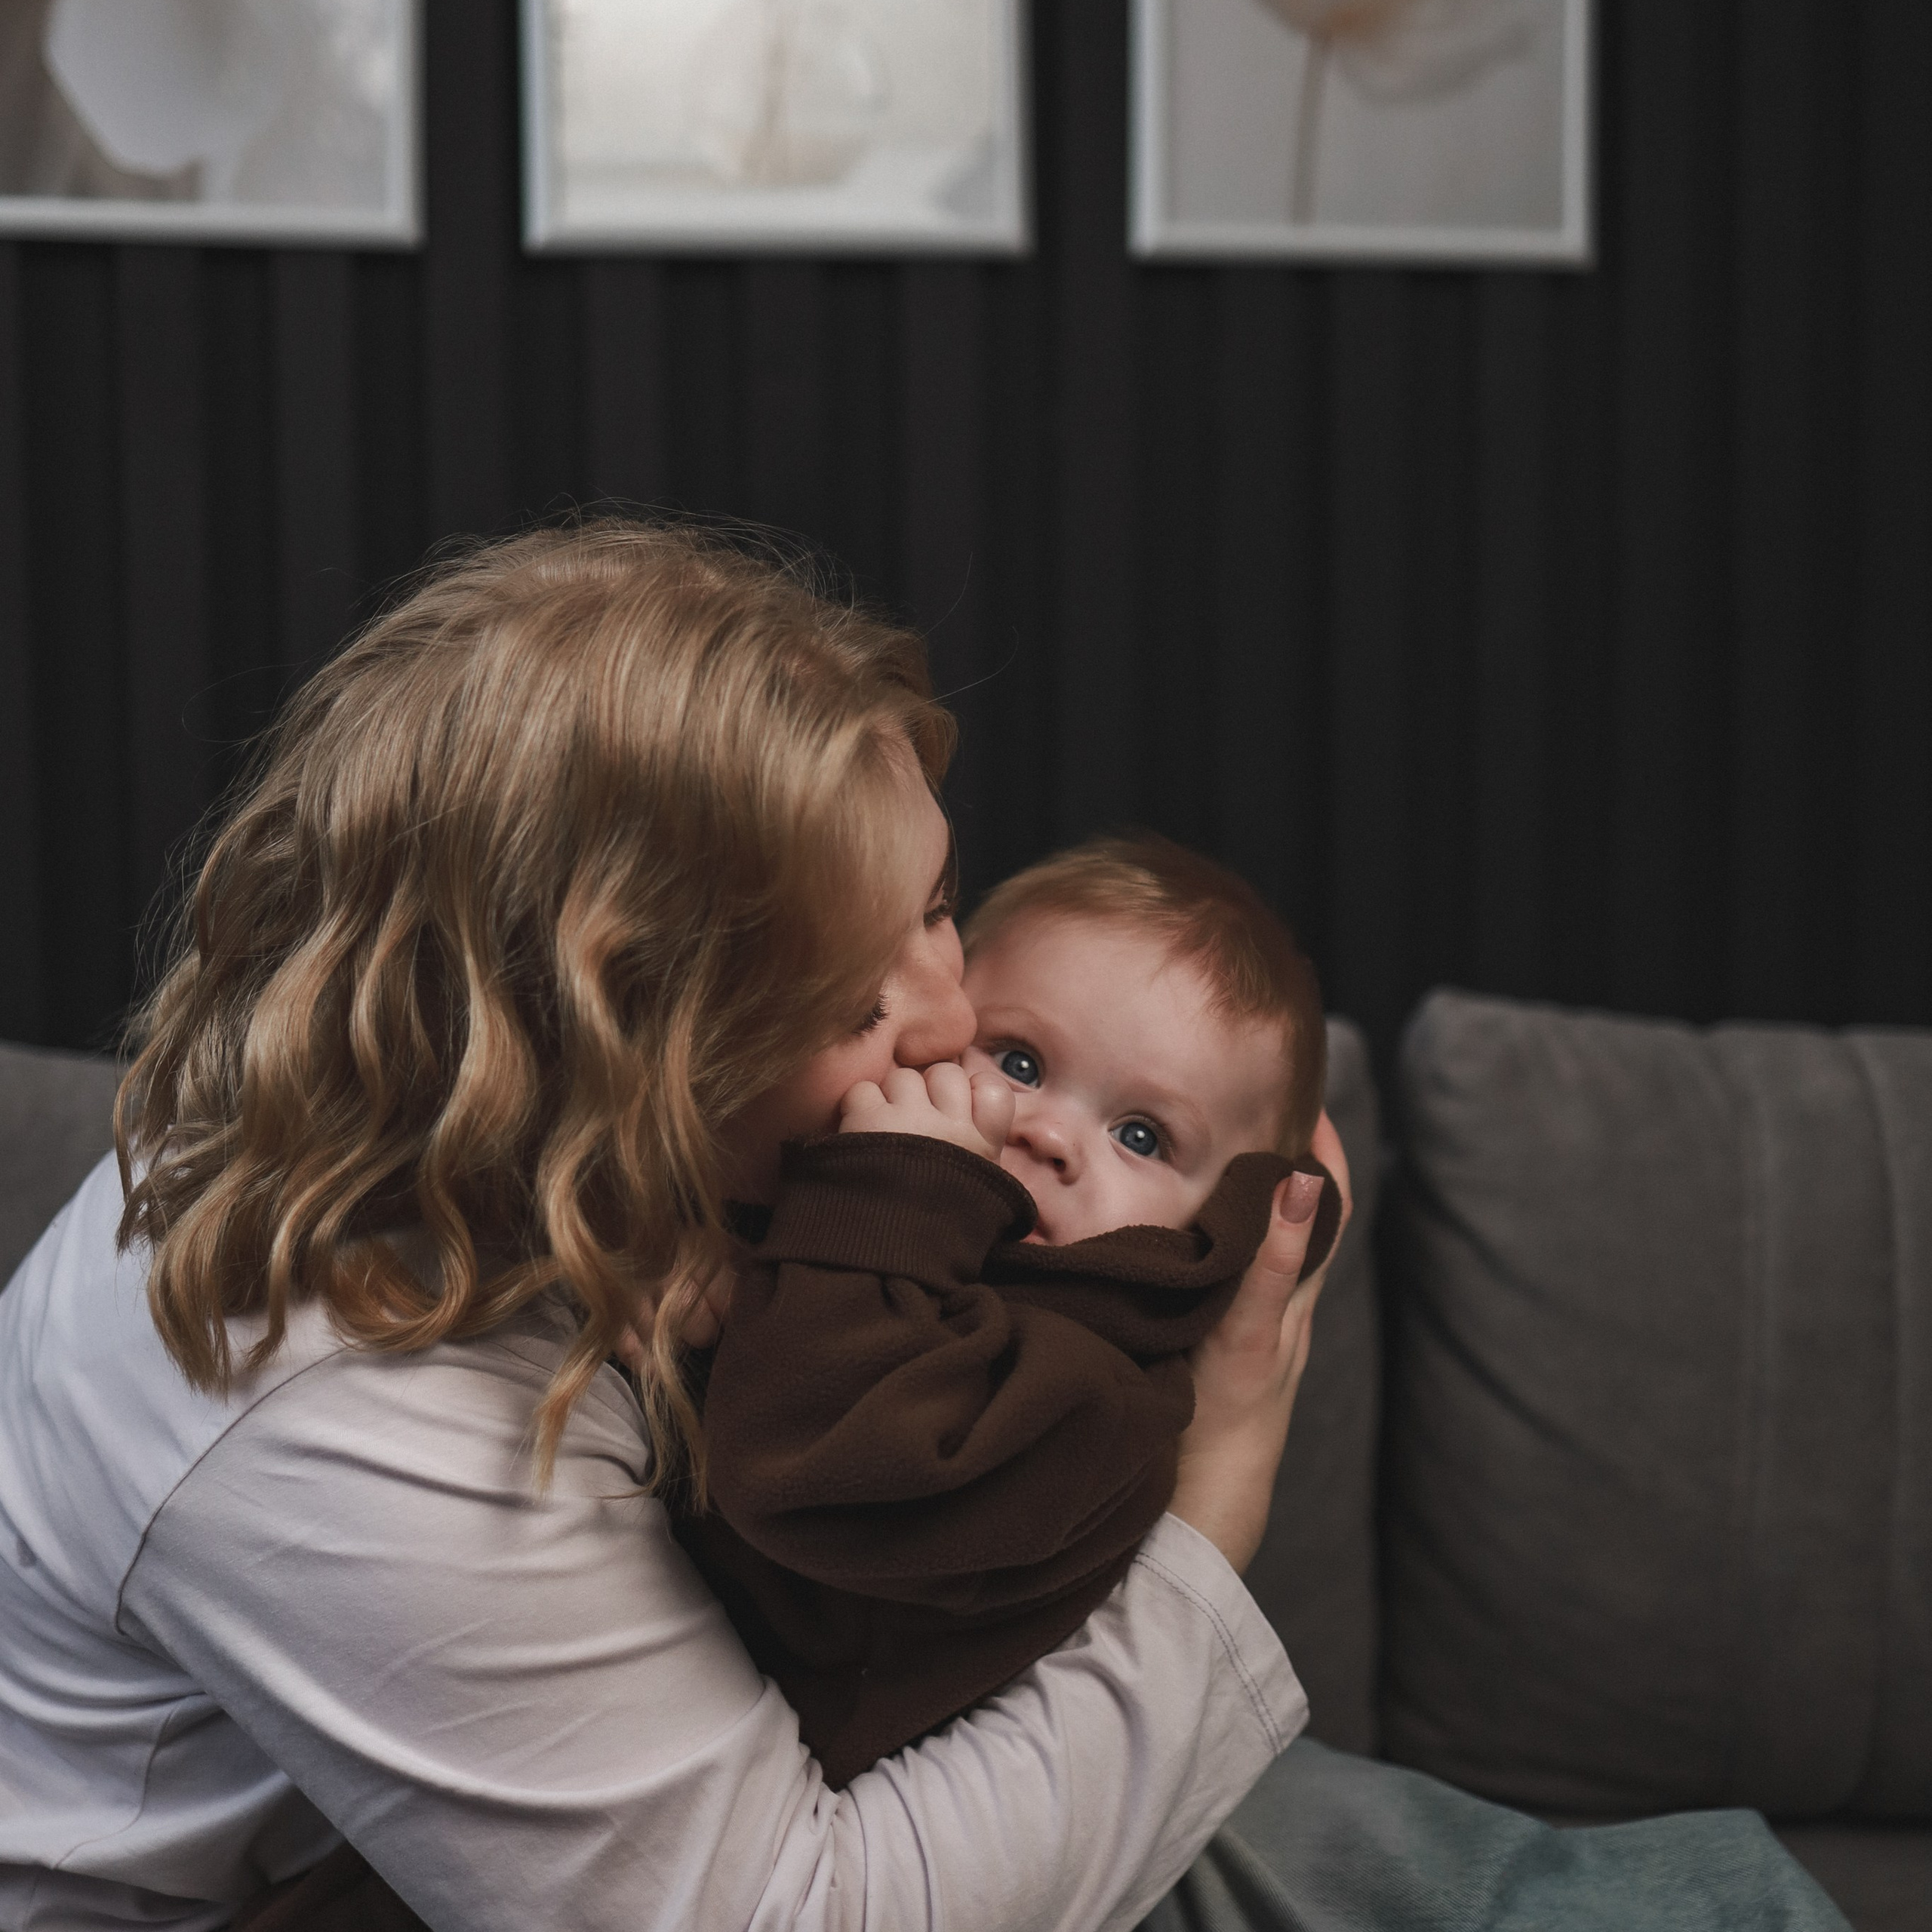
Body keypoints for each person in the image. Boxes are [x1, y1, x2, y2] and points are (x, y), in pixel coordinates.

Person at [0, 522, 1340, 1932]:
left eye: (937, 909)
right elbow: (803, 1917)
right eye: (850, 1009)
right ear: (623, 1049)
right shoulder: (334, 1406)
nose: (955, 1027)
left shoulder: (492, 1126)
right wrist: (1217, 1493)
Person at [679, 835, 1346, 1787]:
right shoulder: (840, 1197)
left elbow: (828, 1460)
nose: (1047, 1132)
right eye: (1020, 1061)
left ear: (1218, 1227)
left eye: (1142, 1135)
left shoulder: (1100, 1394)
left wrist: (889, 1198)